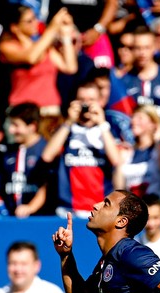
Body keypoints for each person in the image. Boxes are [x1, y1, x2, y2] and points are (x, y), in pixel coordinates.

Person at [42, 82, 121, 218]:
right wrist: (69, 121)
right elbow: (47, 156)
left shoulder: (107, 130)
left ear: (100, 101)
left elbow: (117, 160)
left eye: (91, 100)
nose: (86, 105)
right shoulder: (66, 131)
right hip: (68, 209)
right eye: (82, 100)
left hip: (100, 209)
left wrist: (101, 123)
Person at [0, 6, 78, 114]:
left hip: (49, 108)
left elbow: (70, 68)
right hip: (22, 110)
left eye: (35, 18)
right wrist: (52, 28)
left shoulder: (44, 47)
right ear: (15, 27)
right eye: (29, 21)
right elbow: (31, 58)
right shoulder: (8, 47)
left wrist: (66, 36)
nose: (35, 23)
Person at [1, 103, 50, 217]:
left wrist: (31, 207)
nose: (11, 130)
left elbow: (47, 185)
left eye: (16, 125)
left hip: (40, 218)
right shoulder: (8, 151)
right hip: (10, 218)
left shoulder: (46, 150)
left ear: (32, 126)